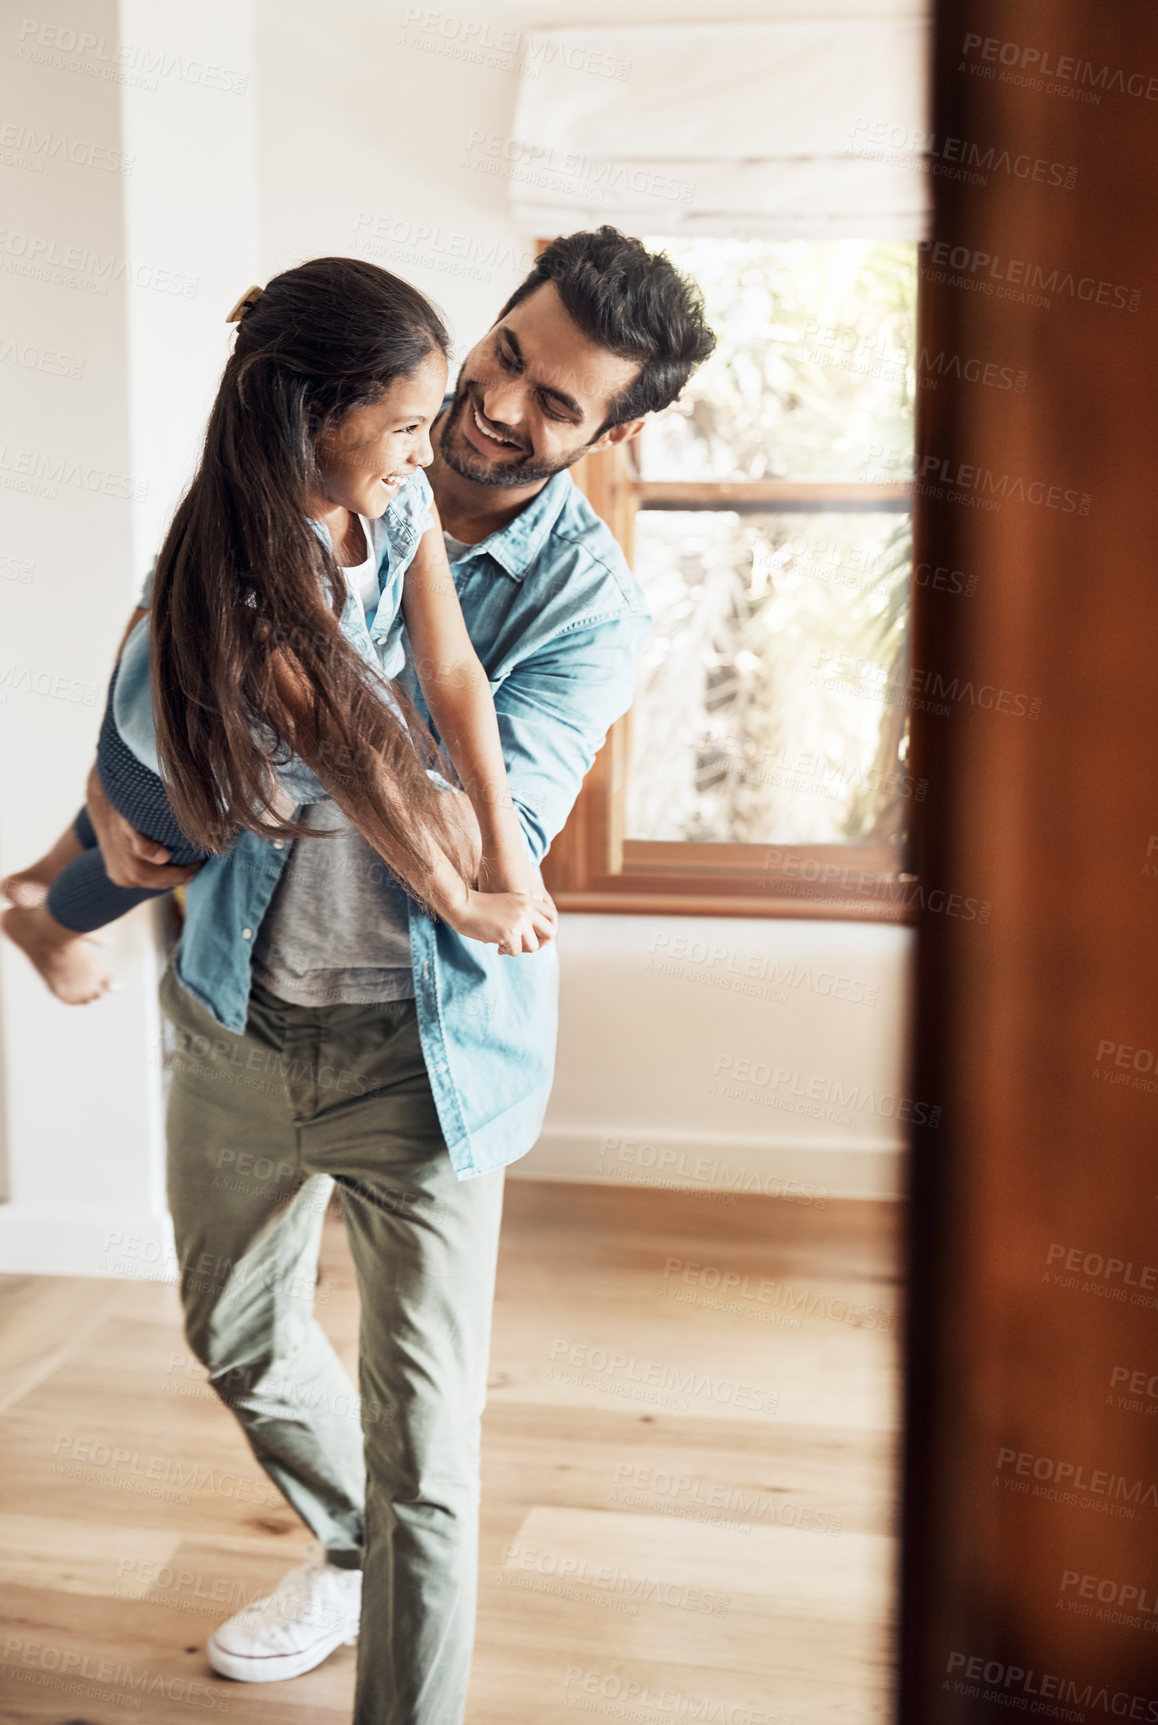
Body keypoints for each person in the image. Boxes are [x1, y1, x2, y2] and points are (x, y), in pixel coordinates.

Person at [69, 227, 715, 1724]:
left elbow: (463, 796)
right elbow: (167, 661)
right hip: (235, 1008)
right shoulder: (307, 473)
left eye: (557, 405)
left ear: (610, 436)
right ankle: (353, 1541)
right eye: (502, 358)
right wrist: (126, 778)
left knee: (430, 1444)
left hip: (421, 1057)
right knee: (229, 1330)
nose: (499, 410)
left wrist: (455, 836)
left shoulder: (585, 608)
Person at [0, 259, 556, 1004]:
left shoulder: (401, 497)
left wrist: (506, 849)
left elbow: (451, 666)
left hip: (179, 694)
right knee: (153, 852)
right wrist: (459, 898)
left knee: (117, 815)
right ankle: (46, 927)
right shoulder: (255, 586)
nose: (427, 453)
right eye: (407, 428)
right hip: (168, 751)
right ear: (312, 417)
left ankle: (36, 872)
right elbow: (355, 761)